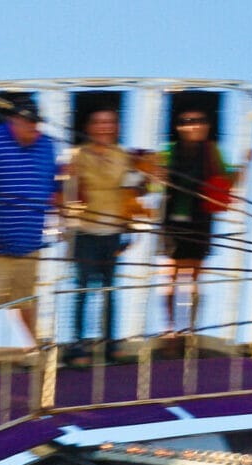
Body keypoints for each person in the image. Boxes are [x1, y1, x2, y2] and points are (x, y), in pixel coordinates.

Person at [0, 95, 59, 378]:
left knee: (26, 299)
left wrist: (61, 215)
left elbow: (53, 188)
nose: (34, 127)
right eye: (28, 121)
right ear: (13, 119)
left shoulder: (47, 145)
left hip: (29, 241)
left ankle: (33, 350)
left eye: (37, 122)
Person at [159, 109, 247, 333]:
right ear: (178, 127)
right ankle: (170, 326)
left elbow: (226, 182)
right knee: (171, 276)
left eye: (199, 121)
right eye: (187, 121)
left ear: (207, 126)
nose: (193, 126)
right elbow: (155, 181)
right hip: (172, 222)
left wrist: (245, 166)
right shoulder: (169, 151)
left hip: (200, 222)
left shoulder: (212, 151)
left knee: (194, 278)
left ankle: (190, 327)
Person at [66, 106, 139, 364]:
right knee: (82, 289)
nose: (104, 127)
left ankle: (111, 343)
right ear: (89, 127)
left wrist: (130, 227)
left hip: (113, 231)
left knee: (110, 290)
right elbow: (67, 191)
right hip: (84, 230)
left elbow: (130, 191)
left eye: (109, 122)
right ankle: (78, 346)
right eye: (98, 121)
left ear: (116, 127)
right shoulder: (76, 155)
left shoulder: (124, 156)